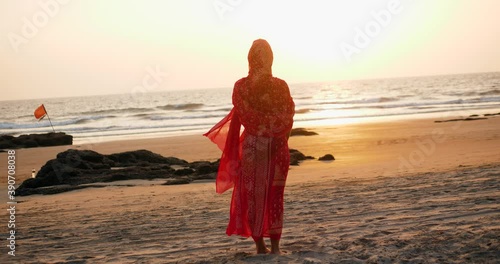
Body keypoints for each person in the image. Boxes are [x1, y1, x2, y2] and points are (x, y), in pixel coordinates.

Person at [204, 39, 295, 254]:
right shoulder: (281, 86)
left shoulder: (241, 87)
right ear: (271, 59)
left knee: (254, 195)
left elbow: (245, 117)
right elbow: (288, 118)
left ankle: (260, 246)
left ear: (250, 59)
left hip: (254, 147)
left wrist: (262, 132)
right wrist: (279, 138)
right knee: (275, 198)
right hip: (278, 147)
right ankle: (275, 247)